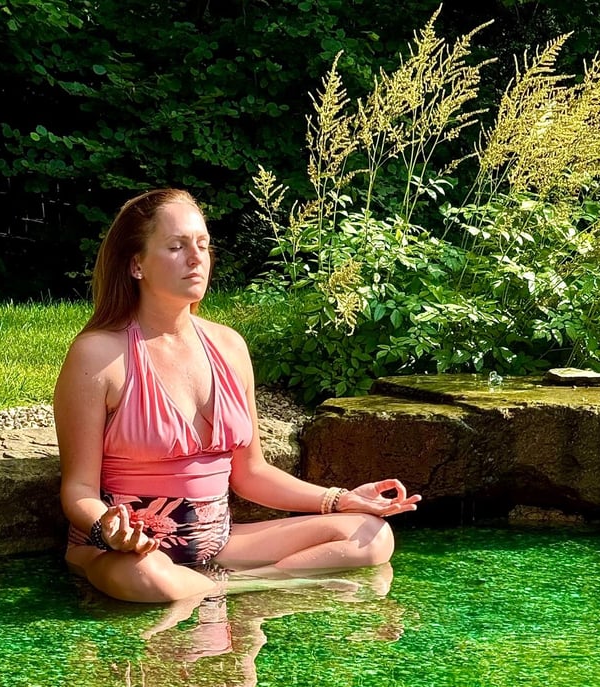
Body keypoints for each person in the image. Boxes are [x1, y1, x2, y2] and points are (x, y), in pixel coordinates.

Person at [53, 188, 421, 604]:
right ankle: (245, 588)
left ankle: (226, 587)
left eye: (203, 244)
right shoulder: (99, 355)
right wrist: (107, 528)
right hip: (130, 555)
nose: (196, 258)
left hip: (219, 544)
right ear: (136, 264)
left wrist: (340, 499)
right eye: (176, 246)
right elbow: (79, 488)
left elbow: (250, 474)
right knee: (148, 578)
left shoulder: (229, 346)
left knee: (371, 535)